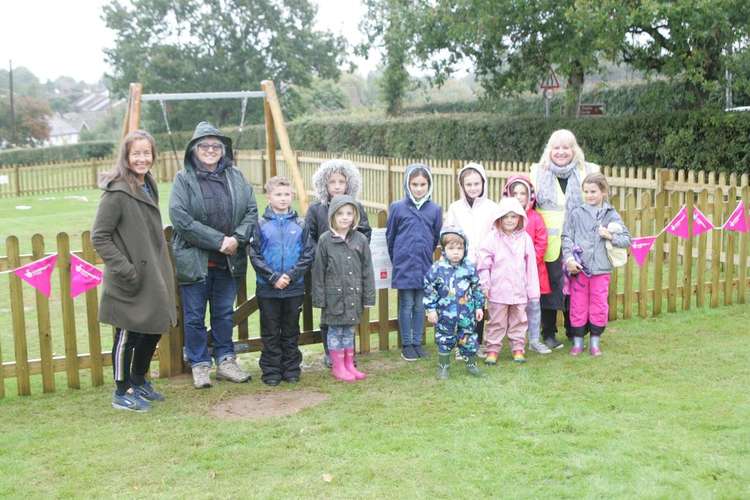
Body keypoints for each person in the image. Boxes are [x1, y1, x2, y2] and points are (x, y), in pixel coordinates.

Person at [92, 129, 177, 412]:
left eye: (146, 153)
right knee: (127, 334)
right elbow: (99, 236)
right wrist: (126, 269)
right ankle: (121, 390)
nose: (142, 159)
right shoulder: (117, 192)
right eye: (136, 153)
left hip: (153, 272)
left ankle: (139, 380)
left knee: (153, 327)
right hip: (130, 276)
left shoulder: (147, 184)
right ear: (126, 157)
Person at [169, 122, 257, 389]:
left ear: (223, 149)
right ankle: (199, 364)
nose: (210, 150)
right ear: (194, 150)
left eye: (215, 146)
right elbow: (180, 219)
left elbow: (251, 211)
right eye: (204, 145)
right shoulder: (183, 179)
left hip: (228, 262)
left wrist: (236, 239)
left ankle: (226, 361)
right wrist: (218, 241)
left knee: (223, 314)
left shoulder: (237, 177)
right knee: (195, 317)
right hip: (195, 262)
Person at [530, 129, 599, 350]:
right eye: (556, 148)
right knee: (549, 288)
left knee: (576, 287)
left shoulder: (588, 171)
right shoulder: (537, 173)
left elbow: (598, 202)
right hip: (547, 243)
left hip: (578, 242)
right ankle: (548, 332)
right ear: (549, 150)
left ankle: (574, 329)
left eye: (566, 147)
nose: (561, 152)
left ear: (574, 150)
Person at [249, 176, 314, 386]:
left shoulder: (300, 224)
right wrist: (273, 277)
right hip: (268, 289)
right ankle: (271, 372)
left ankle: (291, 370)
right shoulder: (260, 225)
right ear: (269, 197)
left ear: (292, 196)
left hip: (294, 288)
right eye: (278, 194)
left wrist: (291, 275)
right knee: (270, 331)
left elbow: (307, 254)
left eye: (287, 194)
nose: (283, 198)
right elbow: (255, 255)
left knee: (291, 330)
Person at [306, 159, 372, 368]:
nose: (336, 186)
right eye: (332, 182)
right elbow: (309, 237)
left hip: (350, 270)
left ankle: (348, 357)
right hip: (327, 271)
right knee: (330, 316)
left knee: (349, 314)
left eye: (341, 181)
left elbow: (365, 233)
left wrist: (351, 252)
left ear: (348, 183)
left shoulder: (356, 207)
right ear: (324, 185)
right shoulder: (316, 209)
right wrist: (324, 255)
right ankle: (330, 353)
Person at [562, 173, 630, 356]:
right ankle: (577, 342)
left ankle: (595, 342)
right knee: (577, 304)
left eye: (593, 191)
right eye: (586, 192)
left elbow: (626, 239)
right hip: (580, 270)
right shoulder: (576, 213)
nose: (589, 195)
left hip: (601, 270)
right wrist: (569, 259)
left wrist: (610, 236)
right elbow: (567, 238)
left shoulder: (611, 214)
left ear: (603, 192)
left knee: (598, 304)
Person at [311, 194, 376, 382]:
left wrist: (368, 297)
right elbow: (318, 272)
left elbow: (367, 271)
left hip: (353, 296)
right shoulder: (325, 240)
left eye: (349, 213)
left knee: (349, 331)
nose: (345, 217)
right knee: (335, 332)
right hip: (333, 298)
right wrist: (320, 298)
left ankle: (349, 364)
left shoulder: (360, 240)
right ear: (332, 216)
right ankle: (337, 366)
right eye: (340, 213)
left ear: (355, 216)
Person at [386, 163, 442, 362]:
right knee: (406, 304)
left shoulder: (435, 209)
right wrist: (399, 258)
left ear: (429, 185)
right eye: (415, 184)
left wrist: (424, 253)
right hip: (404, 265)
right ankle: (407, 344)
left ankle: (418, 342)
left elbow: (436, 237)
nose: (418, 188)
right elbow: (390, 237)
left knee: (420, 305)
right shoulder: (398, 207)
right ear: (407, 184)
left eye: (423, 184)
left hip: (424, 265)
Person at [444, 162, 499, 359]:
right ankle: (462, 344)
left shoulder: (492, 207)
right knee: (461, 304)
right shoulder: (455, 208)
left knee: (478, 305)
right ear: (462, 186)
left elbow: (496, 235)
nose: (473, 188)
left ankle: (477, 342)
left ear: (483, 184)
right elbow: (449, 234)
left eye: (477, 184)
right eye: (469, 184)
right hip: (461, 265)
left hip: (484, 265)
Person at [477, 197, 540, 365]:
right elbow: (484, 263)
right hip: (498, 290)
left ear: (520, 218)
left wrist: (532, 291)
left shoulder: (525, 238)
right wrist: (485, 283)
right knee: (496, 321)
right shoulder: (492, 238)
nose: (510, 220)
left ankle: (518, 348)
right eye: (505, 217)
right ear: (499, 218)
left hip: (519, 291)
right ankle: (492, 349)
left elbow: (531, 267)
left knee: (519, 320)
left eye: (513, 216)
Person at [423, 228, 485, 379]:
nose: (456, 252)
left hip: (466, 313)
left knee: (468, 338)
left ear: (465, 249)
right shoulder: (437, 269)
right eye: (451, 248)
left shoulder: (469, 268)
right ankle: (443, 366)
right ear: (443, 250)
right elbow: (429, 289)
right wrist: (430, 309)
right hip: (445, 314)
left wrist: (478, 307)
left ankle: (471, 364)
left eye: (459, 248)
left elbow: (477, 288)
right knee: (444, 338)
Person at [502, 175, 552, 355]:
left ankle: (534, 340)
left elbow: (542, 242)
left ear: (529, 195)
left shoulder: (536, 218)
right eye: (514, 192)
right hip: (509, 275)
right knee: (512, 308)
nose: (518, 196)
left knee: (533, 307)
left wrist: (529, 263)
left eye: (523, 193)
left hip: (533, 274)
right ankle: (515, 341)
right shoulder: (503, 218)